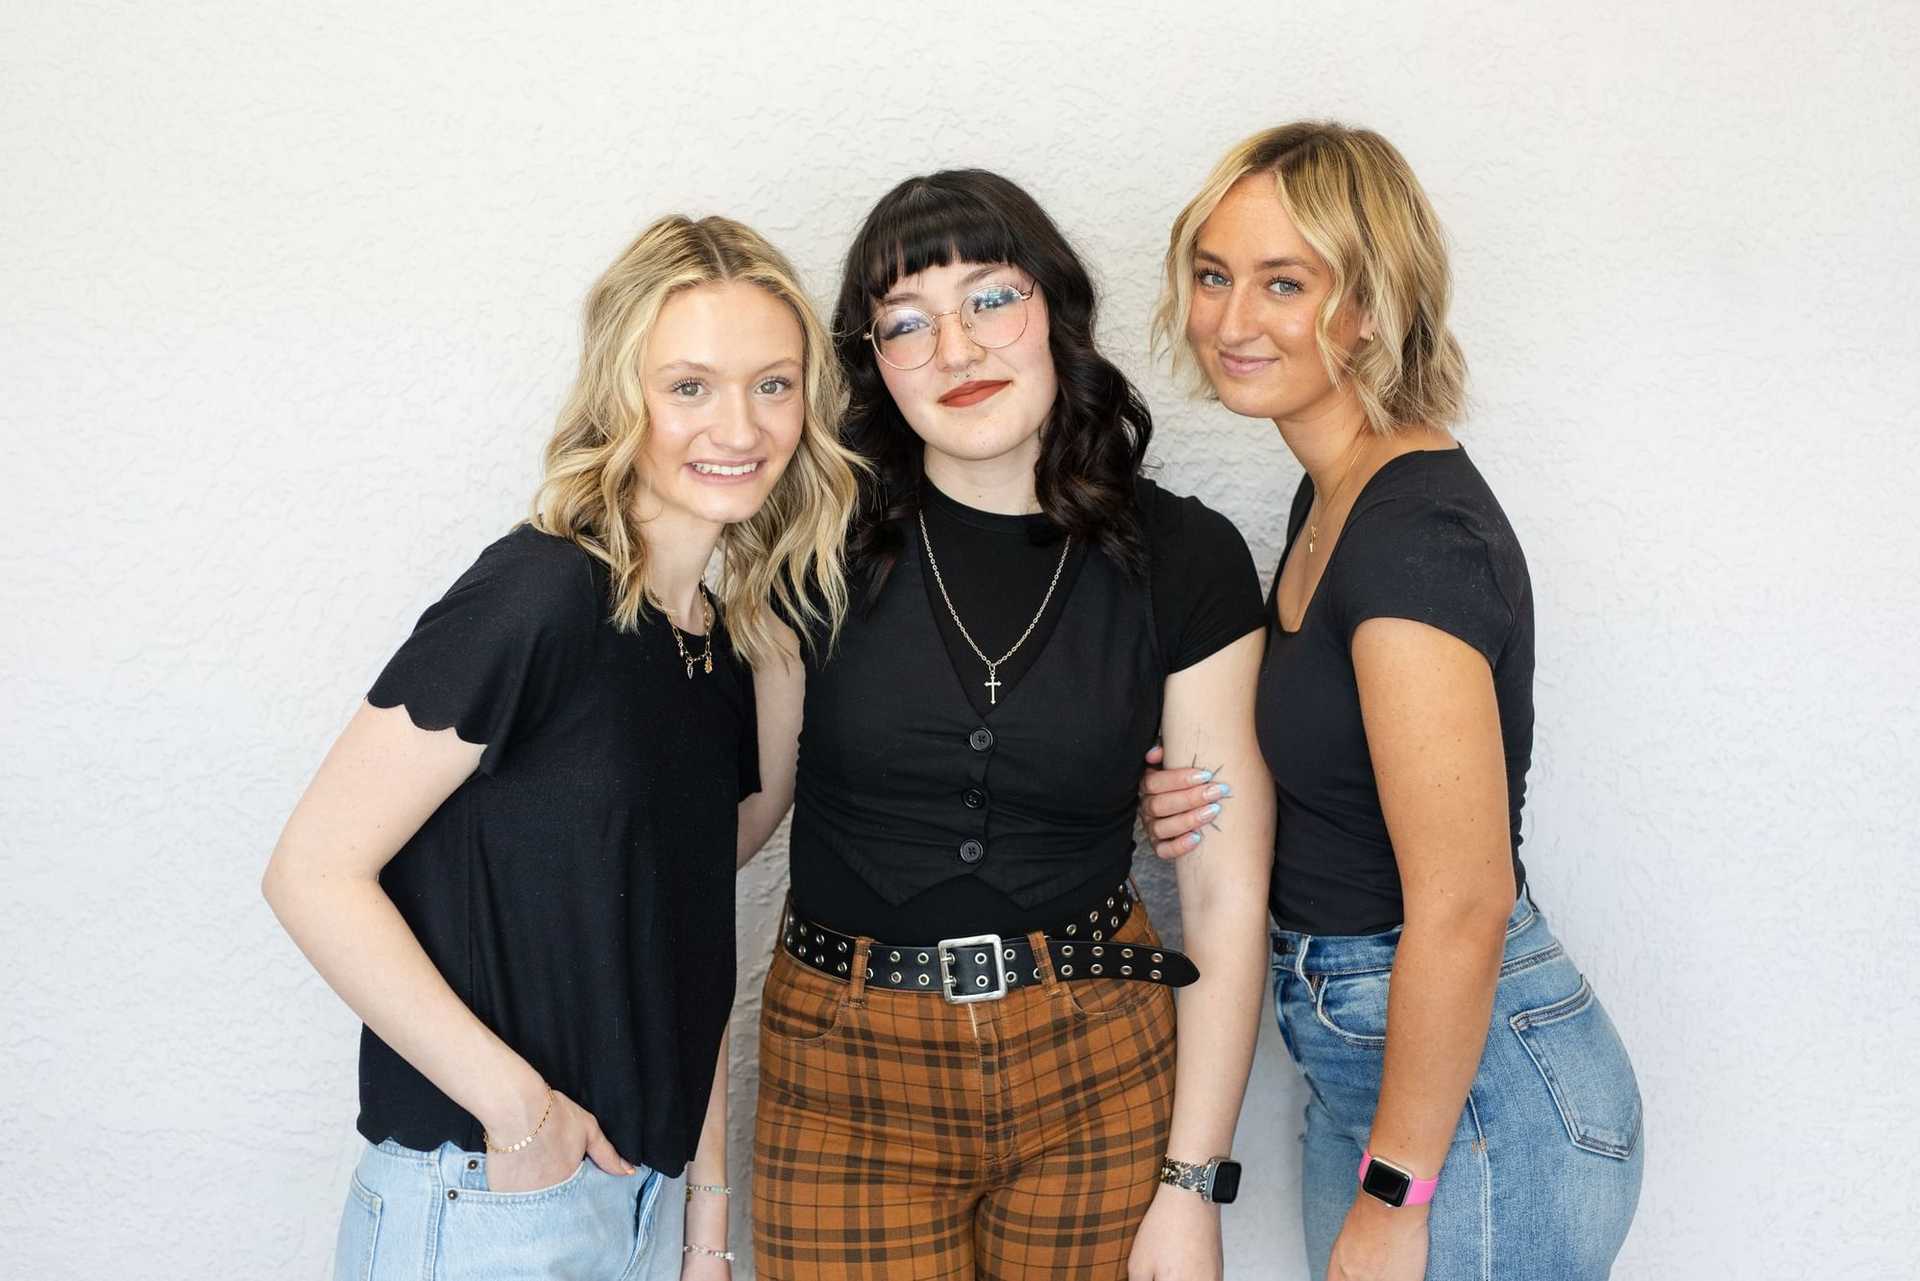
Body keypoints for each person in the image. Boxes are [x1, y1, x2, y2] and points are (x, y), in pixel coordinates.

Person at [262, 213, 861, 1280]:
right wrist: (518, 1110)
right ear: (619, 398)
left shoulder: (718, 647)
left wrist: (706, 1227)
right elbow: (312, 871)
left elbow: (691, 935)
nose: (741, 425)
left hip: (645, 1204)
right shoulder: (539, 594)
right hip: (496, 1197)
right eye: (689, 387)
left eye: (774, 384)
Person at [739, 169, 1277, 1281]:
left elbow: (1225, 894)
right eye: (906, 323)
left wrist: (1193, 1185)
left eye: (990, 299)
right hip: (843, 1081)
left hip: (1098, 1065)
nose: (956, 349)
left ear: (1056, 310)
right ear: (873, 366)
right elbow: (726, 824)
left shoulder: (1186, 557)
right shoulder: (811, 549)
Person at [1139, 123, 1644, 1280]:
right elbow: (1340, 767)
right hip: (1383, 1065)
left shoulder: (1411, 541)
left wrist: (1398, 1192)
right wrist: (1189, 795)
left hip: (1472, 1102)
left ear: (1370, 306)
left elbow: (1464, 900)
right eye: (1214, 276)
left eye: (1284, 283)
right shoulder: (1334, 500)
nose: (1229, 319)